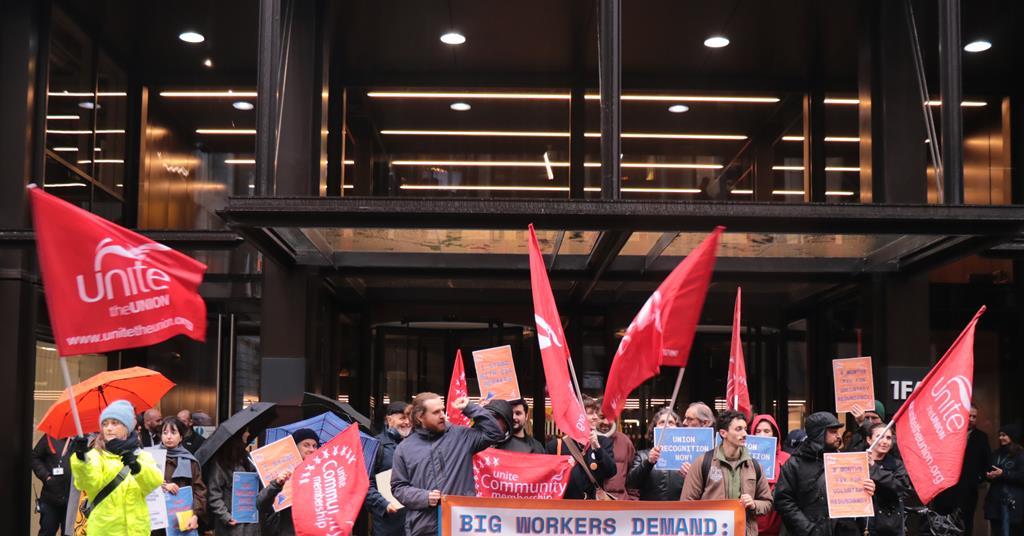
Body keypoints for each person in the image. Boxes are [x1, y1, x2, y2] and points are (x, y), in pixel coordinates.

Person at [391, 392, 504, 535]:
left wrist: (469, 408)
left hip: (461, 525)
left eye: (442, 410)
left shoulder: (461, 436)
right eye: (436, 412)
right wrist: (424, 497)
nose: (442, 415)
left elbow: (494, 433)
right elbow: (398, 487)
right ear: (420, 417)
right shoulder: (404, 449)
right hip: (424, 527)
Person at [68, 399, 163, 536]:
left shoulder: (141, 455)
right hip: (105, 530)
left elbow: (154, 482)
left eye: (115, 423)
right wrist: (81, 459)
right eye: (105, 424)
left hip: (137, 530)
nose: (109, 428)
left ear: (127, 427)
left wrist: (138, 468)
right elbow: (88, 483)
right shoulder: (96, 455)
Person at [775, 411, 875, 536]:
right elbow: (783, 501)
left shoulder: (843, 460)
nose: (839, 436)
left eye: (838, 431)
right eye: (833, 432)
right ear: (819, 433)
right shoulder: (795, 464)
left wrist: (866, 489)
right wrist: (808, 529)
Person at [681, 410, 773, 536]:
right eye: (738, 429)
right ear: (723, 433)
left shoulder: (754, 466)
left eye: (745, 429)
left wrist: (754, 504)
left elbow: (767, 502)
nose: (745, 434)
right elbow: (686, 503)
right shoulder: (703, 462)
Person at [546, 396, 617, 500]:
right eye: (590, 413)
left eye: (596, 413)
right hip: (565, 505)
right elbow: (548, 479)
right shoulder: (556, 445)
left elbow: (611, 472)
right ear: (576, 417)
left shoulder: (602, 442)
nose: (595, 417)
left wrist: (598, 448)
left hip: (592, 505)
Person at [258, 428, 320, 536]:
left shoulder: (320, 472)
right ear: (294, 447)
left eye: (315, 446)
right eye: (306, 445)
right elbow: (261, 505)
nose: (312, 449)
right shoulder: (278, 471)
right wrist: (276, 484)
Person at [367, 401, 413, 536]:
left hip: (415, 521)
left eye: (409, 418)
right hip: (388, 522)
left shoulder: (417, 444)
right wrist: (383, 504)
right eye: (402, 418)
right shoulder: (375, 445)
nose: (407, 422)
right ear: (389, 420)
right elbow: (365, 483)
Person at [156, 416, 206, 534]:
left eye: (173, 433)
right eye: (165, 433)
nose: (169, 437)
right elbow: (143, 486)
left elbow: (199, 491)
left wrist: (195, 515)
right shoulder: (152, 458)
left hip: (183, 521)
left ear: (181, 437)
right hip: (158, 522)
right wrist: (161, 486)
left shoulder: (190, 461)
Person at [206, 431, 260, 536]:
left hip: (250, 522)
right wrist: (225, 516)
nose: (248, 433)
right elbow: (214, 495)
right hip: (231, 525)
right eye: (245, 431)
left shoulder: (248, 458)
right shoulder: (220, 463)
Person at [628, 407, 686, 500]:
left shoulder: (686, 456)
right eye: (662, 422)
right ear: (654, 428)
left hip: (680, 508)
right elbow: (631, 483)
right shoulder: (642, 456)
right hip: (651, 508)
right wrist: (648, 462)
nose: (666, 426)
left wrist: (690, 475)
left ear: (678, 428)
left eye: (671, 422)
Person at [863, 423, 910, 536]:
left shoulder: (897, 464)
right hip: (861, 523)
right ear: (869, 440)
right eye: (879, 437)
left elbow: (900, 488)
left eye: (888, 438)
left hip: (888, 525)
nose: (884, 441)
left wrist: (874, 468)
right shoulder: (858, 461)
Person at [750, 414, 791, 536]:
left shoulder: (786, 459)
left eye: (766, 431)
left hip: (778, 521)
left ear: (774, 435)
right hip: (752, 518)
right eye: (758, 431)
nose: (762, 435)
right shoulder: (743, 459)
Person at [984, 424, 1024, 536]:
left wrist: (1003, 473)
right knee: (996, 531)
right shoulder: (996, 453)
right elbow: (989, 470)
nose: (1000, 438)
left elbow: (1021, 476)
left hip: (1013, 504)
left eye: (1004, 435)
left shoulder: (1020, 455)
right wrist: (989, 476)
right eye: (1000, 435)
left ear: (1012, 436)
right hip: (995, 502)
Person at [594, 397, 637, 500]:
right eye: (602, 417)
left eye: (610, 417)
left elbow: (634, 477)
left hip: (620, 503)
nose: (606, 422)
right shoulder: (584, 441)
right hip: (592, 504)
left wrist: (632, 500)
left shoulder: (625, 442)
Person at [30, 434, 70, 536]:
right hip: (50, 497)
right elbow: (35, 457)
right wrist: (46, 476)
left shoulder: (84, 441)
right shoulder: (50, 437)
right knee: (47, 532)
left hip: (72, 501)